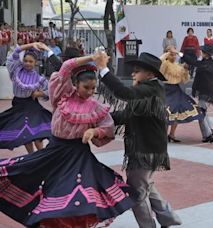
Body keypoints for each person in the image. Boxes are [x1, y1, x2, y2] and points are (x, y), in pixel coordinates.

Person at [0, 50, 134, 227]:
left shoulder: (95, 106)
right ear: (75, 84)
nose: (90, 92)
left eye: (94, 88)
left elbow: (107, 128)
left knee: (77, 195)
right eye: (86, 87)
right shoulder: (61, 96)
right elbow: (65, 67)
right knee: (37, 180)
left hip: (79, 155)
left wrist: (94, 133)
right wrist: (91, 58)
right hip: (56, 150)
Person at [96, 52, 182, 228]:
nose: (133, 74)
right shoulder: (150, 90)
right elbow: (126, 114)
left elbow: (123, 92)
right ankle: (168, 218)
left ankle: (149, 225)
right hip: (149, 149)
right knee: (146, 186)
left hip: (145, 150)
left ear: (149, 74)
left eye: (137, 71)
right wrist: (96, 120)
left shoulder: (149, 89)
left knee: (136, 192)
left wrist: (103, 69)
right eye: (133, 71)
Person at [0, 42, 51, 153]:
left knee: (37, 134)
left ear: (35, 63)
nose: (27, 63)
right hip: (18, 104)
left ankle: (41, 155)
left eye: (30, 61)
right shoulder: (15, 70)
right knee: (25, 135)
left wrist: (39, 94)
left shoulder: (38, 78)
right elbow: (16, 51)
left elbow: (50, 91)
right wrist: (32, 44)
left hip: (32, 105)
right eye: (25, 61)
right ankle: (31, 156)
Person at [160, 46, 204, 142]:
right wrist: (168, 53)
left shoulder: (177, 65)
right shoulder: (164, 64)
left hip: (176, 89)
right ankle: (163, 135)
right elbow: (160, 62)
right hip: (167, 90)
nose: (174, 56)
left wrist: (185, 70)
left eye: (175, 54)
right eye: (172, 54)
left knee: (178, 112)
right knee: (167, 112)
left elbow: (184, 80)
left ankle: (172, 134)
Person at [182, 45, 213, 143]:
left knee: (200, 114)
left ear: (206, 54)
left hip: (207, 93)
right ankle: (210, 129)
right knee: (203, 112)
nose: (201, 53)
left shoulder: (209, 64)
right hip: (207, 92)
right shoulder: (208, 63)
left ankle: (207, 135)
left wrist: (181, 54)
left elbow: (194, 62)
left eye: (202, 51)